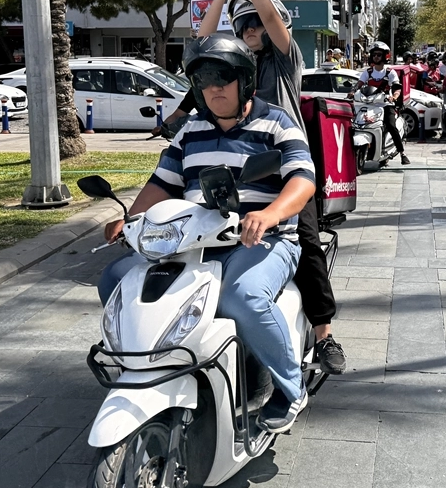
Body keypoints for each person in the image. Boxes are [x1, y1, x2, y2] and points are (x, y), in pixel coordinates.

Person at [96, 35, 316, 433]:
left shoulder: (278, 122)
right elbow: (162, 183)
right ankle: (151, 367)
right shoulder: (189, 130)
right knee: (116, 280)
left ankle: (290, 387)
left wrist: (268, 214)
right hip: (192, 241)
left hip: (263, 240)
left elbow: (303, 181)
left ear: (244, 80)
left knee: (242, 297)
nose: (213, 87)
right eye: (203, 79)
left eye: (222, 77)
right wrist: (130, 218)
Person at [158, 0, 346, 376]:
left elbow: (278, 24)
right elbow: (200, 50)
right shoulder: (228, 68)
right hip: (228, 162)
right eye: (243, 25)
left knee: (307, 241)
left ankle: (323, 334)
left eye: (256, 23)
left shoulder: (283, 62)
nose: (251, 29)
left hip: (282, 166)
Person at [355, 41, 411, 165]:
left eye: (379, 55)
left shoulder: (390, 72)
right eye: (374, 55)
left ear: (385, 56)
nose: (376, 57)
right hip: (369, 104)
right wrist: (352, 91)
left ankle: (402, 153)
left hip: (385, 105)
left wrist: (394, 97)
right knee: (354, 123)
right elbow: (359, 84)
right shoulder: (367, 72)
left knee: (391, 126)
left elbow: (397, 88)